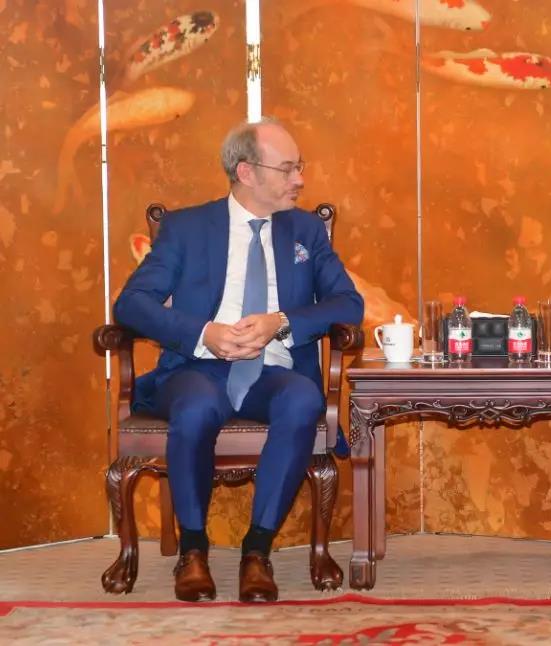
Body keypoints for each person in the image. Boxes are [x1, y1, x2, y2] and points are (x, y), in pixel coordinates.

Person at [114, 118, 364, 602]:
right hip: (197, 367)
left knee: (302, 401)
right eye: (288, 168)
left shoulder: (306, 230)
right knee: (195, 408)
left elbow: (347, 304)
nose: (300, 179)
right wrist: (203, 333)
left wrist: (281, 322)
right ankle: (192, 550)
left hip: (274, 369)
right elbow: (132, 303)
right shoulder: (186, 228)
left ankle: (257, 551)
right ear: (246, 172)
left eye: (300, 167)